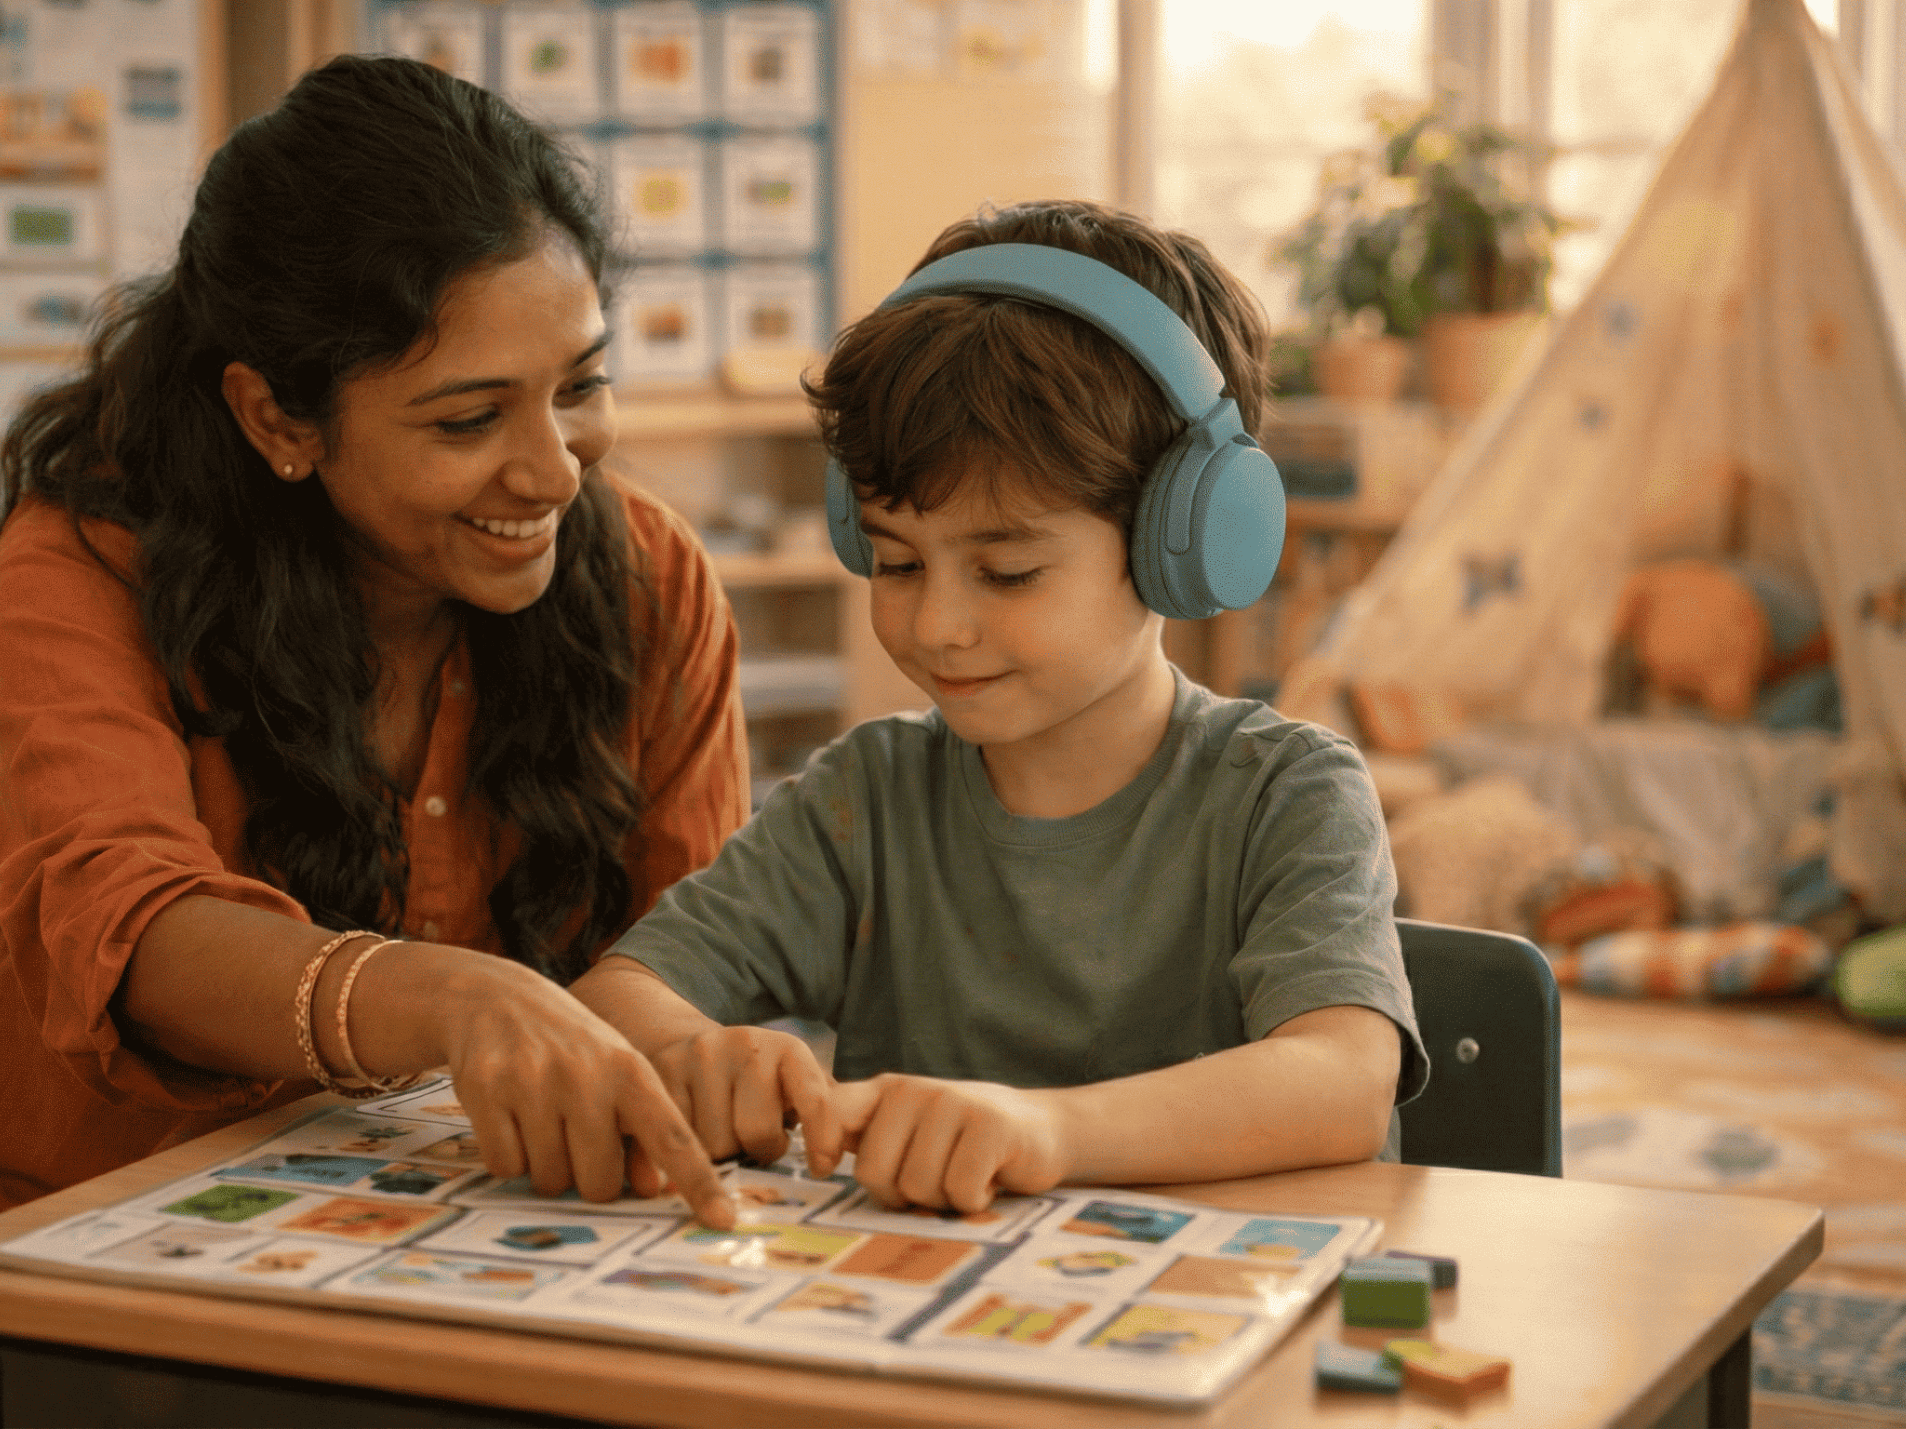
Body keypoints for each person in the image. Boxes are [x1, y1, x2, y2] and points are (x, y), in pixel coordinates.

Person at [0, 54, 747, 1428]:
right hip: (7, 1261)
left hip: (437, 1264)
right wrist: (454, 999)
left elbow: (695, 957)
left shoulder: (652, 582)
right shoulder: (90, 561)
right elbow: (130, 925)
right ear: (275, 417)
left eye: (580, 387)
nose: (553, 467)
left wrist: (708, 1045)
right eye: (470, 418)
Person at [575, 199, 1429, 1216]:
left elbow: (1340, 1080)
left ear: (1183, 540)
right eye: (894, 561)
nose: (938, 624)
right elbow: (610, 997)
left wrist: (1048, 1129)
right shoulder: (864, 799)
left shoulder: (1285, 791)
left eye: (1009, 571)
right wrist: (698, 1052)